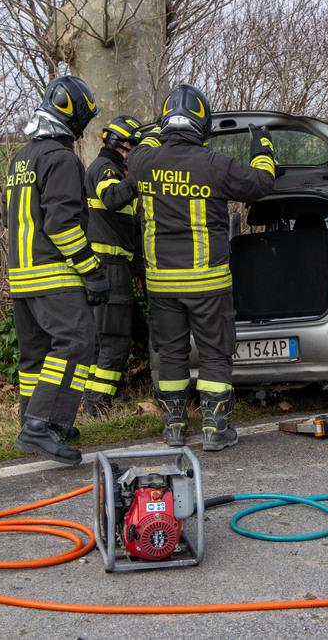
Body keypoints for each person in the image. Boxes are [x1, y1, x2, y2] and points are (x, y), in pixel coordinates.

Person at [127, 84, 276, 451]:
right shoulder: (215, 164)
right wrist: (263, 149)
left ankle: (175, 427)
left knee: (172, 354)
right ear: (202, 123)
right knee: (214, 353)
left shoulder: (143, 162)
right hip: (207, 282)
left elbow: (142, 146)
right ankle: (214, 428)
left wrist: (150, 132)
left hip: (161, 284)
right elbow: (261, 184)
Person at [4, 75, 108, 465]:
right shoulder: (61, 159)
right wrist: (91, 271)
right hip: (55, 276)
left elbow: (9, 217)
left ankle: (36, 422)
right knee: (77, 343)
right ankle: (42, 424)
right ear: (74, 117)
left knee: (36, 355)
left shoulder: (22, 158)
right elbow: (62, 225)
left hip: (22, 278)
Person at [81, 115, 142, 417]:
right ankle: (97, 405)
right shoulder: (106, 169)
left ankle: (91, 400)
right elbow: (113, 197)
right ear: (125, 144)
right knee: (114, 342)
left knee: (101, 340)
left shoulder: (109, 168)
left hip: (110, 267)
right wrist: (138, 178)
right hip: (110, 267)